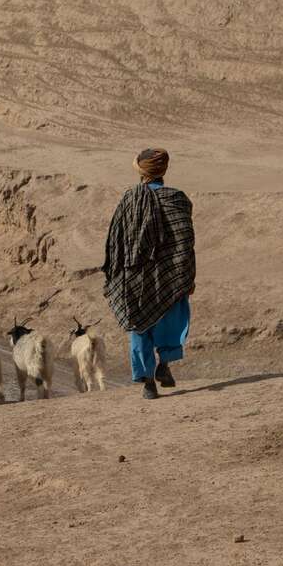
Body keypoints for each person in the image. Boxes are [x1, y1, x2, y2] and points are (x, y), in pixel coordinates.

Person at [101, 147, 195, 399]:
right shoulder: (177, 199)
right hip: (168, 274)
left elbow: (116, 241)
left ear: (141, 172)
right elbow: (185, 241)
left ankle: (148, 383)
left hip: (134, 275)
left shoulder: (129, 199)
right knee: (169, 318)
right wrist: (186, 275)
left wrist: (116, 273)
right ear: (163, 170)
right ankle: (164, 364)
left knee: (139, 325)